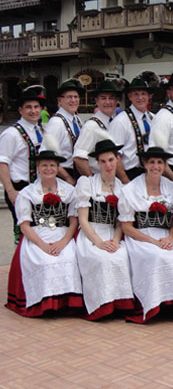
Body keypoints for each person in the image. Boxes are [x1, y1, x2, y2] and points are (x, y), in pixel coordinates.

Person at [118, 132, 173, 323]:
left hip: (166, 235)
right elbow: (126, 227)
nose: (156, 167)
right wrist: (153, 241)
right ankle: (151, 304)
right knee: (155, 255)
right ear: (144, 164)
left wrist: (170, 237)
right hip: (141, 236)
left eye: (160, 163)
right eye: (151, 162)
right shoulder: (130, 190)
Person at [5, 139, 82, 316]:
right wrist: (43, 245)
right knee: (45, 260)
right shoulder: (27, 193)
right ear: (38, 168)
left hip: (63, 233)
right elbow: (24, 225)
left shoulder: (68, 191)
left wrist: (63, 242)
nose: (48, 169)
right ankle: (45, 303)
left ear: (57, 168)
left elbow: (74, 221)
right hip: (37, 234)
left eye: (52, 166)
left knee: (69, 257)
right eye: (44, 165)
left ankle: (67, 303)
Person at [75, 137, 135, 320]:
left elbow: (120, 222)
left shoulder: (123, 188)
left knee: (120, 256)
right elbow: (83, 220)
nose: (108, 165)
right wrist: (99, 242)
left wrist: (115, 241)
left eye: (111, 160)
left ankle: (119, 303)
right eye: (103, 161)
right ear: (98, 163)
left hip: (112, 233)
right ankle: (101, 305)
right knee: (100, 258)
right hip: (91, 233)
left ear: (117, 160)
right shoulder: (87, 183)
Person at [0, 86, 45, 244]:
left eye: (36, 107)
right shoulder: (11, 134)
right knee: (23, 232)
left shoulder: (39, 130)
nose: (33, 111)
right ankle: (19, 267)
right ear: (20, 110)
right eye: (28, 107)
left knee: (40, 231)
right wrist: (11, 191)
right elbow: (2, 164)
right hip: (20, 188)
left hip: (37, 189)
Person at [110, 75, 157, 183]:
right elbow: (114, 155)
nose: (140, 98)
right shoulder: (120, 121)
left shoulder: (154, 119)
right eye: (136, 94)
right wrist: (126, 181)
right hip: (130, 174)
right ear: (129, 96)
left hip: (152, 173)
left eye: (143, 94)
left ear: (149, 96)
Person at [73, 79, 123, 177]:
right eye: (103, 98)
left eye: (111, 98)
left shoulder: (113, 122)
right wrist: (92, 183)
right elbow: (78, 158)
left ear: (116, 101)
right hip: (99, 179)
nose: (108, 102)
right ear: (97, 101)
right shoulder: (92, 126)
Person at [44, 79, 85, 185]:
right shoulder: (56, 123)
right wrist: (67, 178)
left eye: (76, 97)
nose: (73, 100)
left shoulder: (77, 120)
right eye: (69, 97)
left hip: (77, 174)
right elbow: (47, 155)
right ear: (60, 101)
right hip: (62, 176)